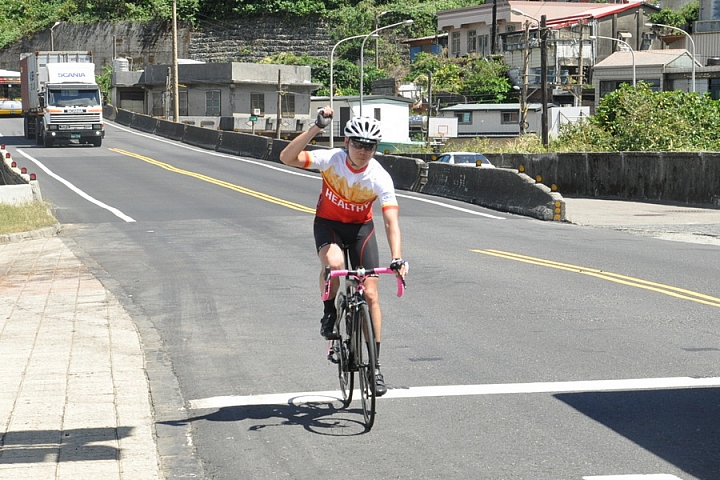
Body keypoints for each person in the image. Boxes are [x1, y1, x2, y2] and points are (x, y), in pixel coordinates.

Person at [279, 106, 408, 396]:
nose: (363, 150)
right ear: (347, 142)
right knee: (335, 262)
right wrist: (316, 128)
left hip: (361, 230)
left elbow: (390, 220)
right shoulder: (331, 160)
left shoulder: (380, 176)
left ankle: (374, 367)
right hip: (329, 226)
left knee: (372, 294)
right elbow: (287, 157)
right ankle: (328, 313)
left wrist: (397, 257)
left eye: (370, 146)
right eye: (358, 144)